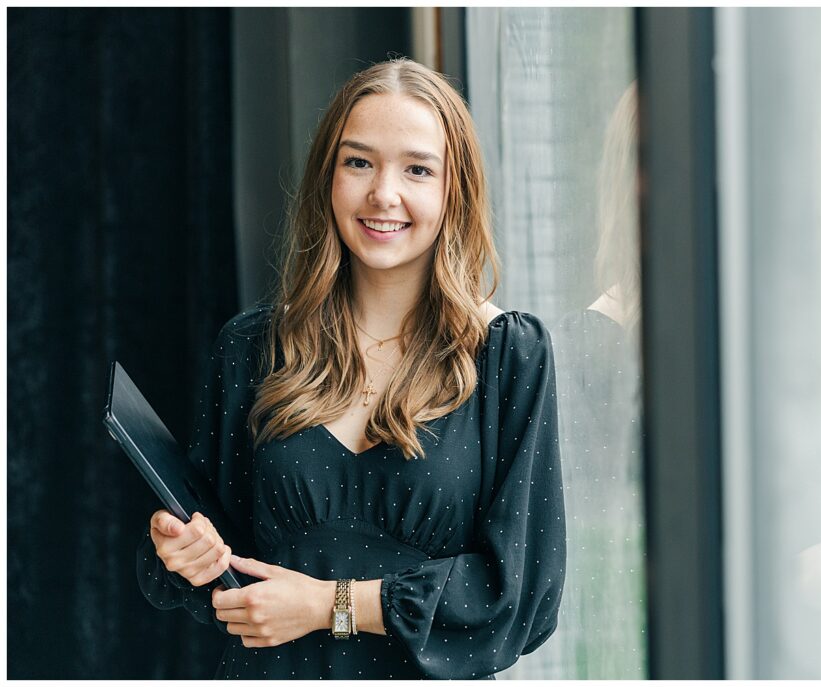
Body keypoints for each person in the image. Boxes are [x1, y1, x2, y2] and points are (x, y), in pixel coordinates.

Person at [135, 57, 566, 680]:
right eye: (359, 162)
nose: (382, 194)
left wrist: (325, 605)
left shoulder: (509, 356)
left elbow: (521, 595)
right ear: (327, 179)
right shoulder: (250, 348)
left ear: (455, 190)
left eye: (417, 169)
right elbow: (217, 561)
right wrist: (181, 551)